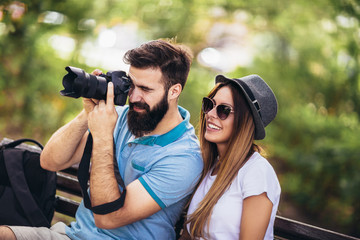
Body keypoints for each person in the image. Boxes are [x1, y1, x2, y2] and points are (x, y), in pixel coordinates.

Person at [0, 39, 203, 240]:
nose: (133, 97)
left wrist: (104, 135)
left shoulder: (183, 157)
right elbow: (50, 161)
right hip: (72, 235)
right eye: (131, 85)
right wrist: (88, 113)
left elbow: (108, 219)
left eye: (145, 89)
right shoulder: (123, 116)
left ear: (174, 91)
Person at [180, 74, 281, 240]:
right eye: (209, 105)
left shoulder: (256, 172)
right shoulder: (209, 166)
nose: (210, 114)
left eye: (223, 110)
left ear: (244, 121)